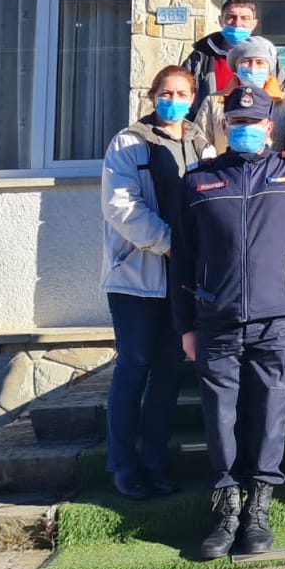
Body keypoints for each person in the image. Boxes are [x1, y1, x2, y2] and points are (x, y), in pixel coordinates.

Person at [170, 82, 285, 560]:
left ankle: (259, 506)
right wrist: (186, 326)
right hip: (215, 319)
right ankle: (226, 506)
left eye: (253, 123)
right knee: (220, 417)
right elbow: (181, 258)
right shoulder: (197, 182)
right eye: (236, 123)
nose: (245, 130)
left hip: (277, 319)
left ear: (269, 128)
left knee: (270, 414)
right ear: (224, 126)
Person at [99, 65, 214, 501]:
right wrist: (170, 245)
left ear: (193, 97)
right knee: (135, 366)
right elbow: (121, 207)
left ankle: (155, 461)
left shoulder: (199, 143)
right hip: (136, 279)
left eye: (182, 93)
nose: (173, 100)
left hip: (181, 282)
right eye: (166, 93)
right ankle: (123, 466)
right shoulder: (128, 142)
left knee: (168, 373)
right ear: (152, 96)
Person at [183, 0, 285, 118]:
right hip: (212, 131)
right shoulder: (201, 57)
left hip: (261, 132)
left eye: (244, 18)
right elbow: (183, 97)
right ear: (220, 21)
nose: (237, 23)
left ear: (254, 23)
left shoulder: (268, 60)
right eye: (231, 17)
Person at [194, 35, 285, 153]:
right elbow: (201, 139)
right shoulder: (214, 101)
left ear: (269, 68)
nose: (253, 67)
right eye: (246, 61)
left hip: (273, 170)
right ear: (236, 67)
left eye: (260, 62)